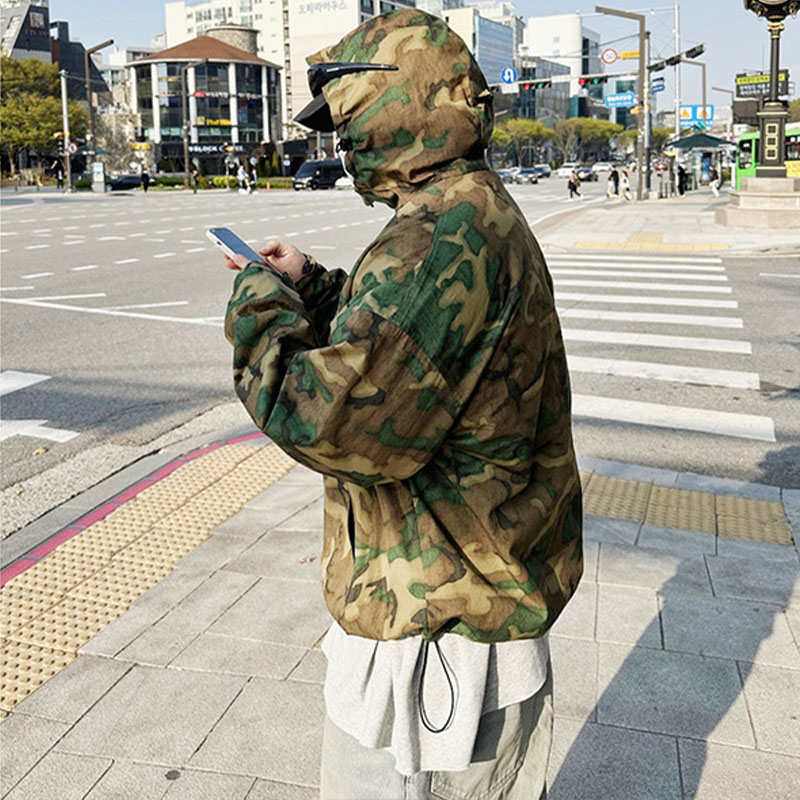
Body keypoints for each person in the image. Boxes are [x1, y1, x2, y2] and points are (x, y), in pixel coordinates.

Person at [222, 10, 582, 800]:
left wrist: (258, 301)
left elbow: (328, 421)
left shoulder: (433, 239)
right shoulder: (470, 209)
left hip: (434, 639)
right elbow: (417, 348)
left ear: (398, 104)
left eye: (346, 120)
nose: (341, 145)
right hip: (471, 601)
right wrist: (313, 283)